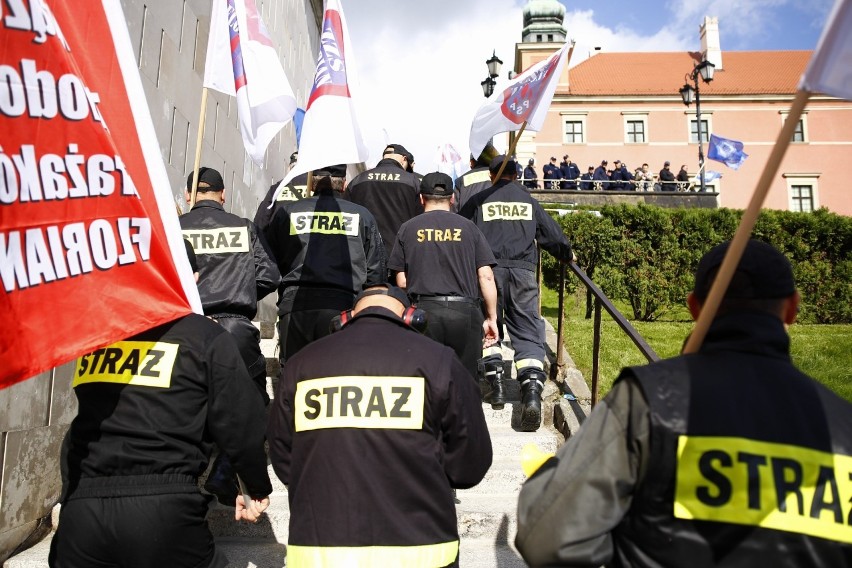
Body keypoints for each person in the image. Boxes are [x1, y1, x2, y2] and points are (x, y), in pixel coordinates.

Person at [516, 239, 852, 567]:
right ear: (792, 308)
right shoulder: (842, 427)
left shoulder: (647, 400)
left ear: (693, 306)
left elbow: (546, 537)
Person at [267, 284, 493, 567]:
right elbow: (470, 465)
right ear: (412, 317)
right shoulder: (440, 361)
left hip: (321, 554)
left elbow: (285, 461)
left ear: (345, 318)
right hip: (422, 552)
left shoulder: (300, 366)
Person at [49, 312, 272, 568]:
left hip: (82, 509)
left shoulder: (96, 338)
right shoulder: (203, 335)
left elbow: (81, 426)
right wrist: (254, 486)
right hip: (163, 508)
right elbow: (241, 422)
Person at [459, 156, 575, 431]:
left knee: (489, 326)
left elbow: (462, 231)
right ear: (517, 175)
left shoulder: (480, 201)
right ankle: (532, 391)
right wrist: (567, 254)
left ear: (491, 175)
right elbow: (553, 237)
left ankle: (495, 383)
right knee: (525, 329)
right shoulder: (528, 201)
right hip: (523, 273)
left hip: (488, 272)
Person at [263, 164, 386, 364]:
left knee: (294, 376)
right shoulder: (362, 215)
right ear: (344, 184)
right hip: (344, 307)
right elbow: (376, 272)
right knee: (339, 375)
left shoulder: (288, 212)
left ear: (311, 182)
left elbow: (269, 261)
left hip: (296, 306)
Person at [180, 167, 281, 403]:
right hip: (236, 332)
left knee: (188, 402)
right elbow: (270, 275)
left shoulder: (174, 229)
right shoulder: (245, 228)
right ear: (223, 194)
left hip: (186, 329)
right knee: (249, 404)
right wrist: (242, 288)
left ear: (188, 195)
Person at [388, 171, 499, 378]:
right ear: (453, 198)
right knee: (466, 382)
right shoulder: (469, 228)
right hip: (465, 312)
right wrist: (491, 317)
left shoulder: (407, 229)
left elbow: (402, 281)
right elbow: (486, 276)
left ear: (421, 198)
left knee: (426, 381)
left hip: (423, 313)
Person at [346, 143, 422, 250]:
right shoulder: (413, 182)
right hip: (399, 252)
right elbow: (421, 219)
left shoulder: (358, 180)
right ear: (404, 159)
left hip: (364, 250)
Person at [253, 151, 309, 234]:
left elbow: (261, 220)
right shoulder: (316, 187)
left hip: (279, 241)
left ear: (289, 167)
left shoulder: (277, 188)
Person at [455, 144, 499, 211]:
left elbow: (455, 209)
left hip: (467, 219)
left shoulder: (461, 181)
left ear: (471, 162)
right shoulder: (499, 176)